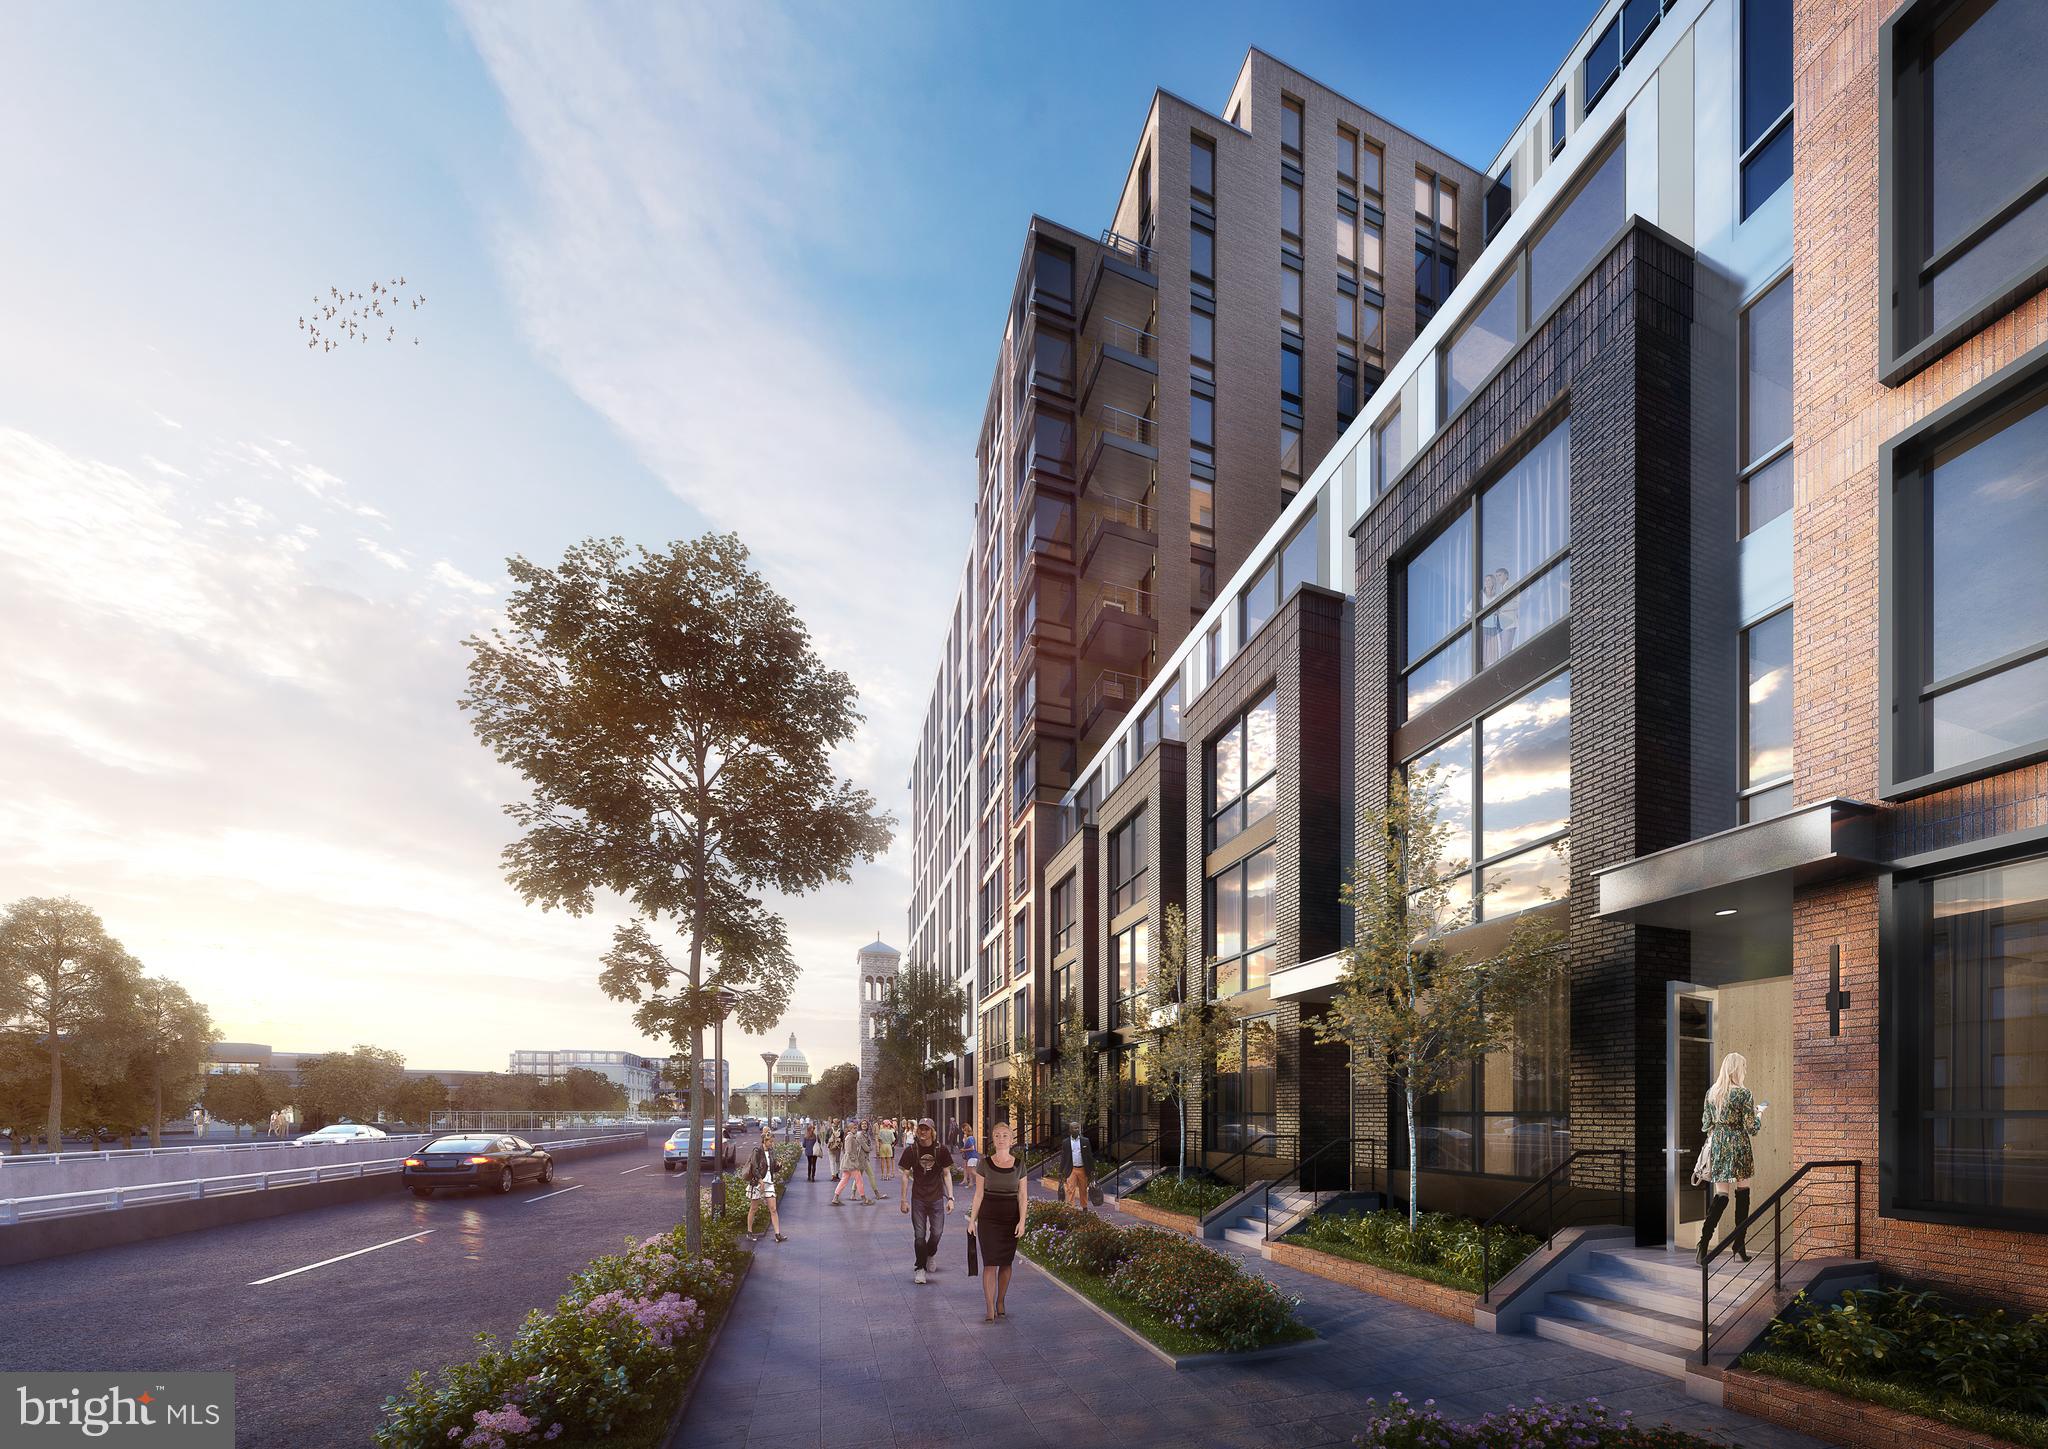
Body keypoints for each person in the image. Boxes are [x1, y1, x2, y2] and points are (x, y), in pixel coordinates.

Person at [1699, 1052, 1766, 1265]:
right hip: (1739, 1146)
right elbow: (1751, 1128)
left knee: (1721, 1196)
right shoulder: (1744, 1093)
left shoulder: (1712, 1092)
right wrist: (1759, 1114)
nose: (1745, 1071)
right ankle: (1739, 1245)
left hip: (1719, 1146)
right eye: (1743, 1067)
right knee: (1743, 1194)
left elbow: (1706, 1124)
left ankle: (1703, 1244)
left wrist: (1721, 1129)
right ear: (1738, 1069)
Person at [967, 1120, 1025, 1322]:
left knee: (1006, 1263)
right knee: (990, 1263)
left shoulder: (1019, 1165)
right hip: (988, 1218)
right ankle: (990, 1307)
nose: (1001, 1139)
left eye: (1005, 1135)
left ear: (1012, 1140)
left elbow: (1023, 1197)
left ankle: (1001, 1300)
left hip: (1010, 1219)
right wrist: (971, 1221)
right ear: (992, 1139)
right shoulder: (984, 1164)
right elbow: (978, 1195)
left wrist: (1022, 1222)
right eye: (997, 1135)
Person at [897, 1118, 955, 1285]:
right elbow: (905, 1176)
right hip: (919, 1199)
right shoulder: (911, 1150)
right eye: (920, 1129)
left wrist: (950, 1197)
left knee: (937, 1233)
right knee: (919, 1236)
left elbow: (946, 1174)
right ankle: (920, 1268)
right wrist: (903, 1200)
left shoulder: (941, 1150)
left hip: (936, 1198)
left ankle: (929, 1254)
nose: (923, 1132)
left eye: (926, 1129)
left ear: (932, 1131)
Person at [744, 1129, 786, 1243]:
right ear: (764, 1141)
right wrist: (760, 1180)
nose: (772, 1143)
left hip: (769, 1182)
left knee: (773, 1208)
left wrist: (779, 1166)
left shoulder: (771, 1152)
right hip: (758, 1182)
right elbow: (754, 1167)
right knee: (754, 1208)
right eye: (770, 1142)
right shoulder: (757, 1151)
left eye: (772, 1142)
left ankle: (777, 1234)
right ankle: (749, 1231)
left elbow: (773, 1169)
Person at [831, 1120, 873, 1206]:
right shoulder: (850, 1137)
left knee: (844, 1180)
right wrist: (854, 1159)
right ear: (850, 1129)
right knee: (859, 1180)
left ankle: (835, 1197)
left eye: (856, 1127)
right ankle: (864, 1198)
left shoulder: (852, 1137)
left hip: (848, 1162)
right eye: (854, 1128)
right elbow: (849, 1151)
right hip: (851, 1163)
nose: (856, 1129)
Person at [1057, 1122, 1095, 1210]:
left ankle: (1084, 1207)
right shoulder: (1066, 1142)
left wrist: (1093, 1170)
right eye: (1075, 1128)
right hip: (1071, 1169)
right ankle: (1070, 1208)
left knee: (1083, 1189)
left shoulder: (1085, 1141)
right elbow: (1064, 1157)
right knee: (1070, 1190)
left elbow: (1089, 1156)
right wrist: (1060, 1171)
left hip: (1083, 1169)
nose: (1077, 1130)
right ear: (1070, 1130)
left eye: (1078, 1128)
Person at [876, 1119, 897, 1186]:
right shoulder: (890, 1131)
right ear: (888, 1125)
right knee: (888, 1161)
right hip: (889, 1146)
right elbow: (893, 1139)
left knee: (882, 1161)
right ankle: (888, 1174)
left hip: (883, 1146)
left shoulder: (881, 1131)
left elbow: (879, 1139)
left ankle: (882, 1175)